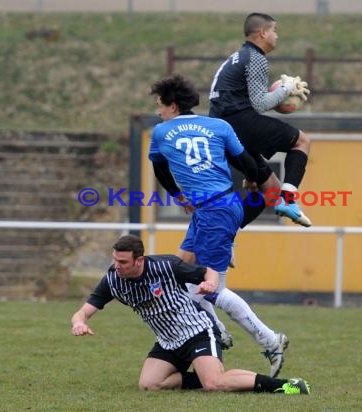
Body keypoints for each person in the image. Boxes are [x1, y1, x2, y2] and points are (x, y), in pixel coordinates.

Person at [148, 74, 289, 378]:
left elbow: (159, 168)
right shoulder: (219, 126)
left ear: (172, 106)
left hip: (213, 212)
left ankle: (269, 340)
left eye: (159, 104)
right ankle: (217, 330)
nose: (157, 110)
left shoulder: (161, 132)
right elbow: (247, 162)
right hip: (221, 206)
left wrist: (177, 195)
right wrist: (257, 184)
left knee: (211, 289)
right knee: (181, 274)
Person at [70, 235, 311, 395]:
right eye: (115, 260)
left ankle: (287, 386)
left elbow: (210, 272)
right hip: (168, 341)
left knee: (214, 384)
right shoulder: (113, 281)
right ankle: (208, 372)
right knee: (150, 385)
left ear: (139, 260)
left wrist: (210, 284)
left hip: (198, 332)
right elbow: (84, 311)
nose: (117, 266)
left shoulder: (166, 266)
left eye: (123, 262)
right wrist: (79, 323)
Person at [209, 12, 312, 228]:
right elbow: (260, 105)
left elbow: (255, 101)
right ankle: (289, 200)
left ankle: (224, 234)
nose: (277, 36)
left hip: (222, 127)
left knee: (270, 190)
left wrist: (279, 97)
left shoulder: (238, 57)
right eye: (275, 30)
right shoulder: (256, 58)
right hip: (239, 123)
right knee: (302, 141)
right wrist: (286, 88)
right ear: (263, 32)